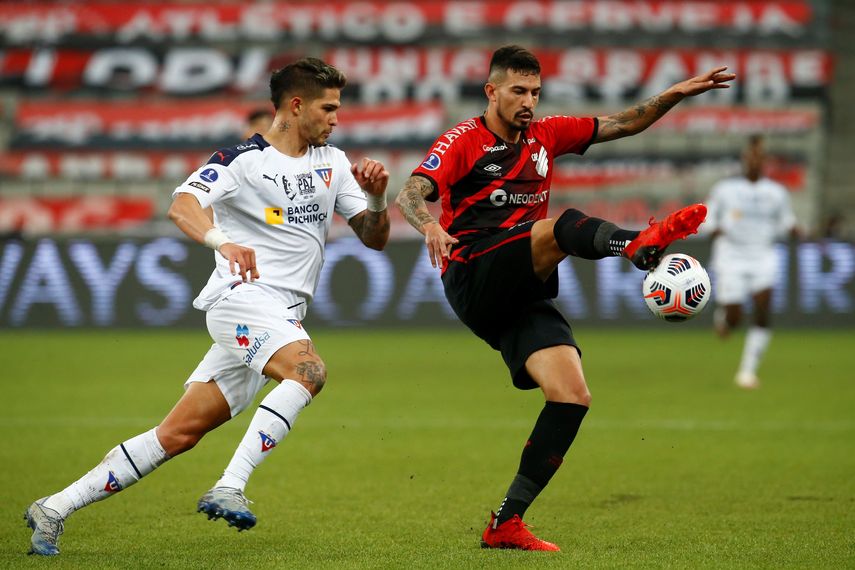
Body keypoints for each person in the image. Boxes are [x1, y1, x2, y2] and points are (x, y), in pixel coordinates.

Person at [24, 57, 391, 556]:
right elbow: (182, 205)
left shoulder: (331, 161)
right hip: (239, 298)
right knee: (308, 370)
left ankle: (54, 507)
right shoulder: (243, 160)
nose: (336, 117)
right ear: (296, 105)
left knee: (179, 433)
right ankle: (231, 484)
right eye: (328, 108)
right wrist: (222, 242)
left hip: (282, 314)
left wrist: (376, 200)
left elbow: (374, 238)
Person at [395, 45, 733, 551]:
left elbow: (623, 123)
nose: (528, 101)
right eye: (517, 91)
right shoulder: (464, 139)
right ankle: (636, 244)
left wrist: (672, 95)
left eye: (534, 91)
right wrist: (430, 226)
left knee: (572, 394)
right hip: (474, 270)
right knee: (559, 227)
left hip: (521, 288)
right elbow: (411, 192)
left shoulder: (547, 134)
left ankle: (506, 522)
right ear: (492, 91)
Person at [704, 135, 798, 389]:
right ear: (745, 160)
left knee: (763, 305)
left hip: (763, 255)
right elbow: (708, 217)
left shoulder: (776, 192)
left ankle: (747, 371)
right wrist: (715, 229)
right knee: (735, 317)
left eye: (760, 157)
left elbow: (787, 221)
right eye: (751, 156)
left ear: (764, 162)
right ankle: (725, 319)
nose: (755, 161)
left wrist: (796, 231)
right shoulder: (725, 189)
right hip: (731, 255)